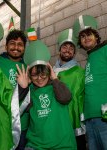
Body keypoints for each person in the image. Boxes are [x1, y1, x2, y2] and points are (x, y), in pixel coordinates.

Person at [16, 40, 77, 149]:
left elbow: (66, 98)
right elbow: (17, 109)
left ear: (49, 72)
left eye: (43, 74)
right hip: (36, 145)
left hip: (62, 145)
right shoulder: (30, 91)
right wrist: (23, 88)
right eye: (34, 75)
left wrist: (54, 79)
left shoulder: (57, 86)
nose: (39, 79)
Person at [73, 14, 107, 150]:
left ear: (97, 36)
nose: (86, 38)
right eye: (82, 36)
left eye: (89, 34)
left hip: (104, 117)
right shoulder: (89, 59)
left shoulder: (105, 49)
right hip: (90, 120)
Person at [53, 29, 86, 150]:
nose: (68, 50)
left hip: (73, 120)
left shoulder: (80, 72)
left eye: (71, 48)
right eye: (65, 47)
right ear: (60, 49)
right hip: (55, 120)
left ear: (74, 53)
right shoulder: (51, 71)